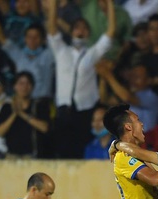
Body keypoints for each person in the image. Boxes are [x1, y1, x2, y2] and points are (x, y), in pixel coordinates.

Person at [47, 0, 115, 158]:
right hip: (63, 110)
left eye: (85, 28)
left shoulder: (92, 54)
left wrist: (110, 4)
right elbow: (51, 29)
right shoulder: (61, 50)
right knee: (62, 153)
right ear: (70, 32)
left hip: (85, 111)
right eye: (77, 27)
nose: (81, 31)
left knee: (81, 152)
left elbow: (110, 31)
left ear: (89, 34)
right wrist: (54, 5)